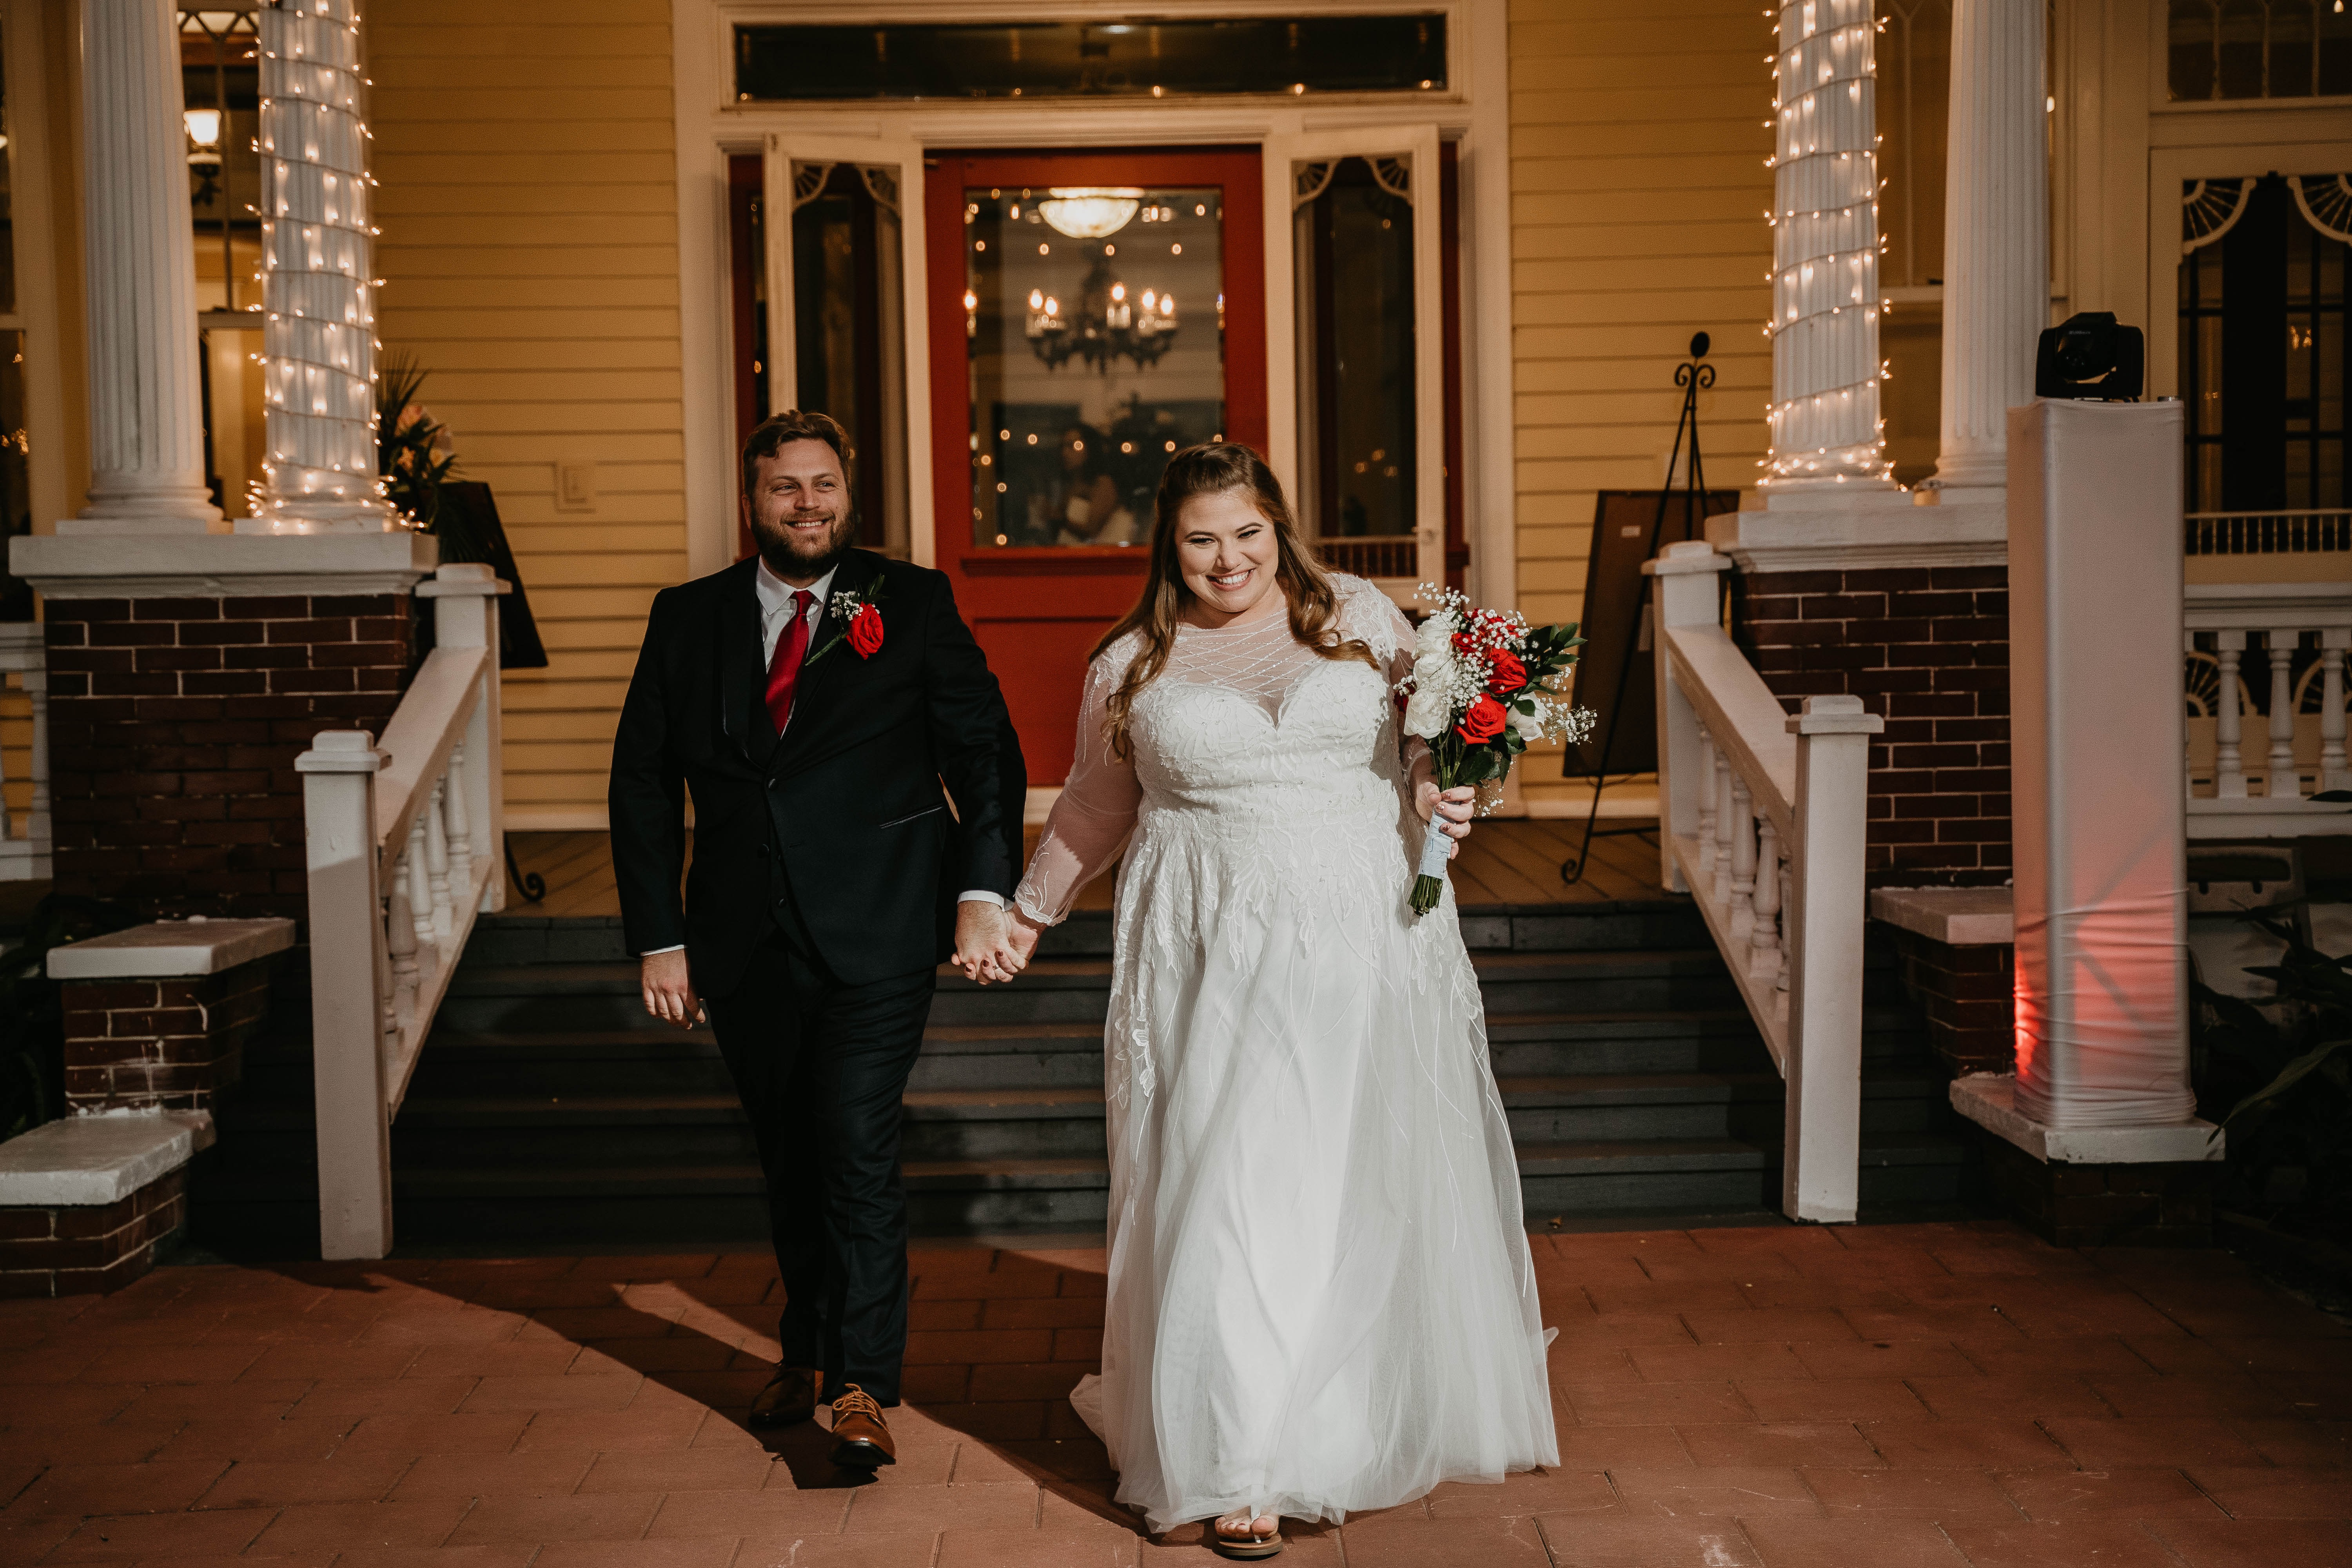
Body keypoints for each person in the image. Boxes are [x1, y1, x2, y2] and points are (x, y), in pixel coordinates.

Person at [986, 443, 1557, 1557]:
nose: (1227, 558)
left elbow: (1426, 747)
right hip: (1213, 943)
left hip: (1365, 931)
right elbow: (1096, 811)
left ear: (1278, 528)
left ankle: (1329, 1423)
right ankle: (1240, 1459)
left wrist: (1451, 793)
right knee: (1235, 1176)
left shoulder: (1363, 617)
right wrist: (1025, 911)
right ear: (1171, 544)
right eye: (1202, 538)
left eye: (1247, 532)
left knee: (1342, 1178)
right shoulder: (1135, 660)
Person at [609, 409, 1030, 1468]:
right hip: (740, 936)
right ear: (752, 501)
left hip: (882, 921)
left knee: (852, 1144)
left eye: (825, 484)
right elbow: (643, 786)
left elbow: (983, 754)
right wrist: (660, 936)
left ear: (850, 494)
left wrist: (984, 890)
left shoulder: (914, 601)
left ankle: (857, 1388)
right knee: (791, 1152)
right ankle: (805, 1349)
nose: (808, 503)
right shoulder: (687, 616)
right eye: (786, 487)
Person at [1049, 423, 1140, 545]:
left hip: (1101, 558)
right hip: (1072, 558)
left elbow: (1092, 531)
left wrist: (1060, 519)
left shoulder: (1103, 484)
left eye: (1075, 446)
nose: (1065, 453)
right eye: (1063, 447)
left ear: (1091, 449)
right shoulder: (1071, 485)